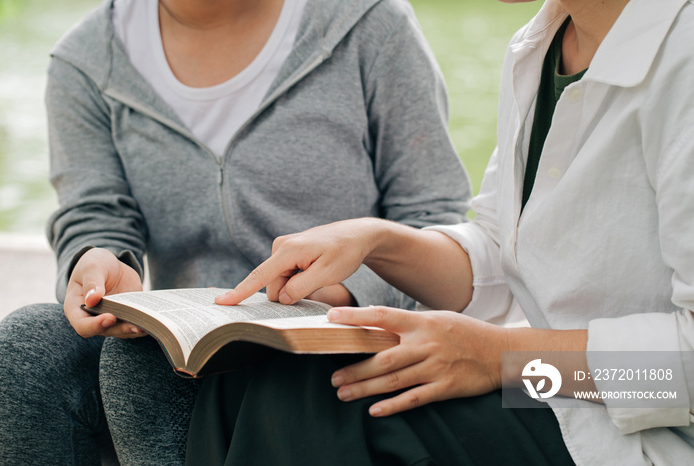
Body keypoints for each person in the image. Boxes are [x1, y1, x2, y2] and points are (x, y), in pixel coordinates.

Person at [185, 0, 694, 464]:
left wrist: (501, 359)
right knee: (255, 372)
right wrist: (377, 241)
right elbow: (505, 248)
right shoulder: (545, 41)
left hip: (643, 432)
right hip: (551, 390)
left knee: (314, 403)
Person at [0, 0, 473, 464]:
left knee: (140, 372)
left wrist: (344, 291)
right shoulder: (85, 61)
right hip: (191, 344)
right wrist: (97, 260)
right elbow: (94, 211)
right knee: (30, 346)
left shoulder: (368, 23)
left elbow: (437, 218)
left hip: (330, 342)